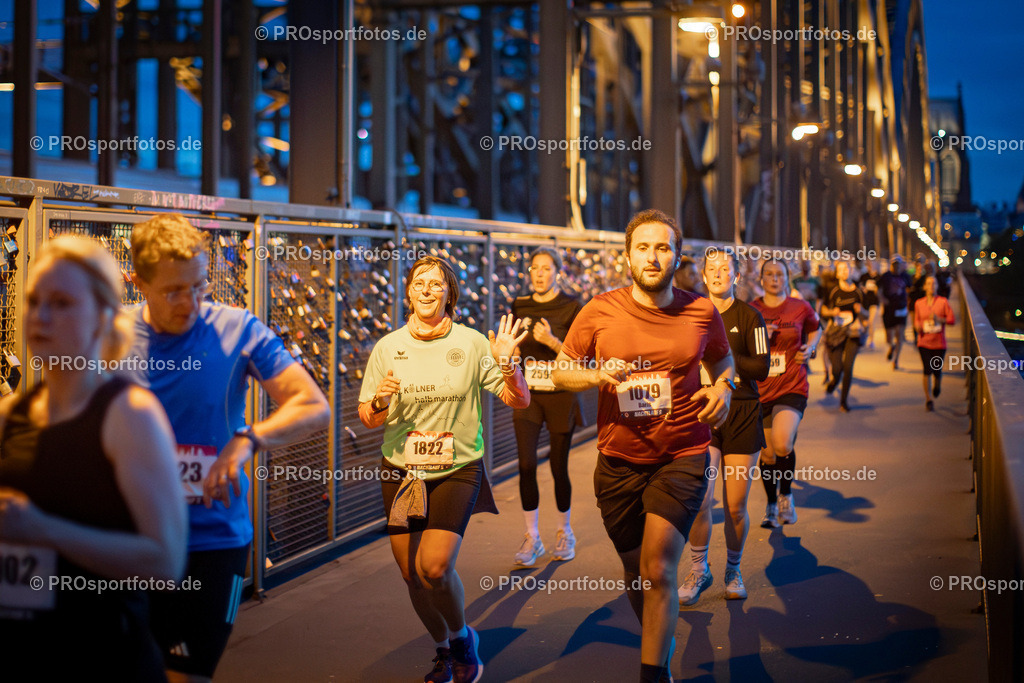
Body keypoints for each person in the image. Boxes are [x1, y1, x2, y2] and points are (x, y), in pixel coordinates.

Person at [124, 214, 331, 683]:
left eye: (199, 286)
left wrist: (248, 438)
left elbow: (313, 405)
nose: (191, 303)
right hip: (129, 540)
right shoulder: (109, 336)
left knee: (189, 674)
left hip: (214, 542)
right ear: (139, 282)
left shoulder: (237, 329)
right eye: (173, 291)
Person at [551, 209, 734, 683]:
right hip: (618, 462)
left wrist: (724, 388)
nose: (653, 257)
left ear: (677, 256)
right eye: (643, 248)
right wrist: (595, 374)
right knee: (636, 574)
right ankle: (659, 635)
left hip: (683, 455)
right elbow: (561, 371)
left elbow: (723, 360)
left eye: (663, 248)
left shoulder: (701, 311)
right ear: (628, 257)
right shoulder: (599, 310)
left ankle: (654, 673)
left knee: (658, 570)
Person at [0, 236, 187, 680]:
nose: (41, 316)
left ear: (103, 316)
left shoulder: (129, 415)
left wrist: (43, 530)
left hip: (104, 657)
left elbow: (165, 562)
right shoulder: (11, 415)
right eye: (34, 301)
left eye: (62, 303)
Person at [359, 255, 530, 683]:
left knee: (433, 567)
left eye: (436, 283)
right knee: (410, 575)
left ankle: (461, 638)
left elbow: (519, 400)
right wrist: (380, 400)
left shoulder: (471, 343)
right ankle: (441, 650)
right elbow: (368, 416)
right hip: (402, 472)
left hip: (457, 468)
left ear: (449, 294)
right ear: (408, 293)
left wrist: (508, 363)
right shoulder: (388, 346)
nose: (427, 289)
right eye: (419, 282)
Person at [677, 250, 769, 607]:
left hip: (742, 411)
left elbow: (761, 368)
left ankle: (733, 570)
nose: (718, 274)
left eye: (725, 269)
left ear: (736, 276)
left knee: (734, 506)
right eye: (711, 269)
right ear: (704, 276)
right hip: (703, 411)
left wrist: (723, 359)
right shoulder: (691, 314)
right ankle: (698, 569)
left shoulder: (750, 316)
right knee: (701, 499)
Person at [510, 247, 584, 566]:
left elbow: (581, 356)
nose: (539, 274)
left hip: (561, 393)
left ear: (557, 272)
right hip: (528, 395)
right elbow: (514, 345)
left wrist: (552, 341)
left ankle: (565, 531)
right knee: (526, 464)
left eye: (546, 268)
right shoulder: (520, 305)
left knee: (557, 466)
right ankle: (532, 537)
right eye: (534, 269)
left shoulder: (572, 306)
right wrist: (509, 353)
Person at [751, 259, 821, 528]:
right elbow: (739, 347)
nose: (774, 279)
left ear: (787, 278)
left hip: (792, 385)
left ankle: (786, 496)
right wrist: (760, 338)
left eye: (779, 274)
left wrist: (810, 348)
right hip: (760, 390)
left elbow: (816, 327)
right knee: (768, 455)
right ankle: (771, 504)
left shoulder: (800, 306)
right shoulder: (751, 309)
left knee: (782, 444)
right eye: (768, 274)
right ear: (761, 279)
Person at [821, 261, 867, 413]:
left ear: (851, 270)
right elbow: (823, 310)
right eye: (841, 269)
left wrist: (861, 311)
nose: (844, 271)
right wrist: (831, 312)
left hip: (852, 332)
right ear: (837, 273)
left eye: (846, 268)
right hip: (836, 333)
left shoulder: (858, 291)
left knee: (848, 367)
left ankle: (844, 401)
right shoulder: (833, 290)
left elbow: (866, 314)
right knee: (837, 369)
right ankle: (833, 382)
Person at [913, 275, 955, 411]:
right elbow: (916, 320)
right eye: (929, 283)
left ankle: (937, 384)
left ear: (937, 286)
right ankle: (928, 399)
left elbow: (951, 320)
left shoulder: (943, 302)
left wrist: (939, 319)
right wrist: (917, 327)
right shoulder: (919, 303)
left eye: (934, 283)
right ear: (924, 287)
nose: (931, 286)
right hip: (923, 342)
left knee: (936, 370)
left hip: (939, 343)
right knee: (927, 369)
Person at [878, 255, 913, 369]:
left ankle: (896, 359)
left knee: (900, 335)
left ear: (901, 265)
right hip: (889, 309)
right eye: (894, 265)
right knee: (889, 337)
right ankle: (892, 346)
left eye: (898, 264)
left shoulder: (905, 276)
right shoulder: (886, 276)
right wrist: (882, 299)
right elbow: (878, 289)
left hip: (901, 308)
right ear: (891, 265)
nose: (896, 267)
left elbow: (910, 289)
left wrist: (908, 300)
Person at [858, 260, 881, 349]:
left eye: (873, 264)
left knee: (871, 321)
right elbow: (859, 287)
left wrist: (877, 290)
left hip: (874, 302)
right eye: (869, 265)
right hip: (865, 302)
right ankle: (864, 338)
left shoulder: (879, 277)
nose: (871, 266)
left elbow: (882, 291)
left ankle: (871, 340)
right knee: (865, 323)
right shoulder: (864, 276)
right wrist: (863, 289)